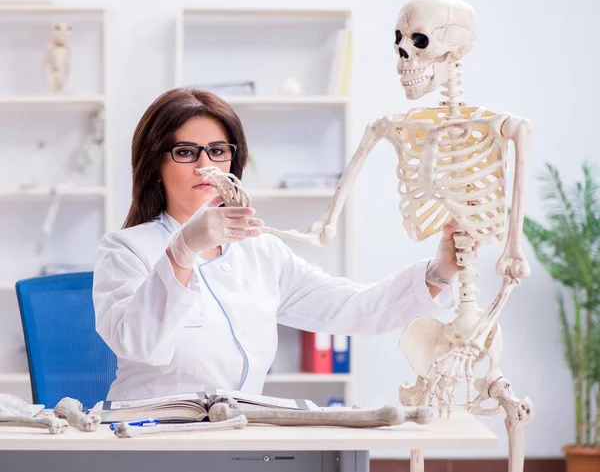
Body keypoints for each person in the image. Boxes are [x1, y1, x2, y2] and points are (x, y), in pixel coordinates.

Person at [92, 87, 461, 401]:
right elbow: (141, 345)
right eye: (186, 152)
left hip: (236, 439)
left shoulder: (261, 252)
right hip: (149, 442)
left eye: (218, 151)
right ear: (156, 164)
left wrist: (439, 273)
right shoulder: (125, 250)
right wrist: (182, 249)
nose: (205, 164)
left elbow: (352, 307)